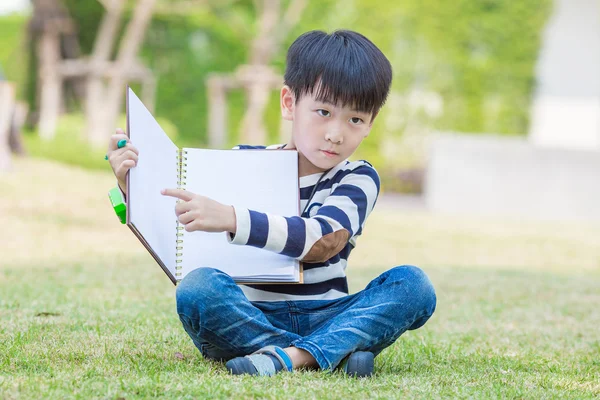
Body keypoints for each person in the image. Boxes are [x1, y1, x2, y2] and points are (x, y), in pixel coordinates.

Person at [106, 30, 436, 378]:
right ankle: (331, 351)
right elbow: (180, 238)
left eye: (355, 119)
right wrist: (131, 183)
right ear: (289, 103)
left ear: (371, 123)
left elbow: (322, 241)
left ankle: (286, 358)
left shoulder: (357, 177)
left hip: (329, 312)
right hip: (250, 315)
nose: (336, 134)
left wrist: (233, 218)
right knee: (197, 288)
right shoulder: (241, 162)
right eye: (323, 111)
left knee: (413, 285)